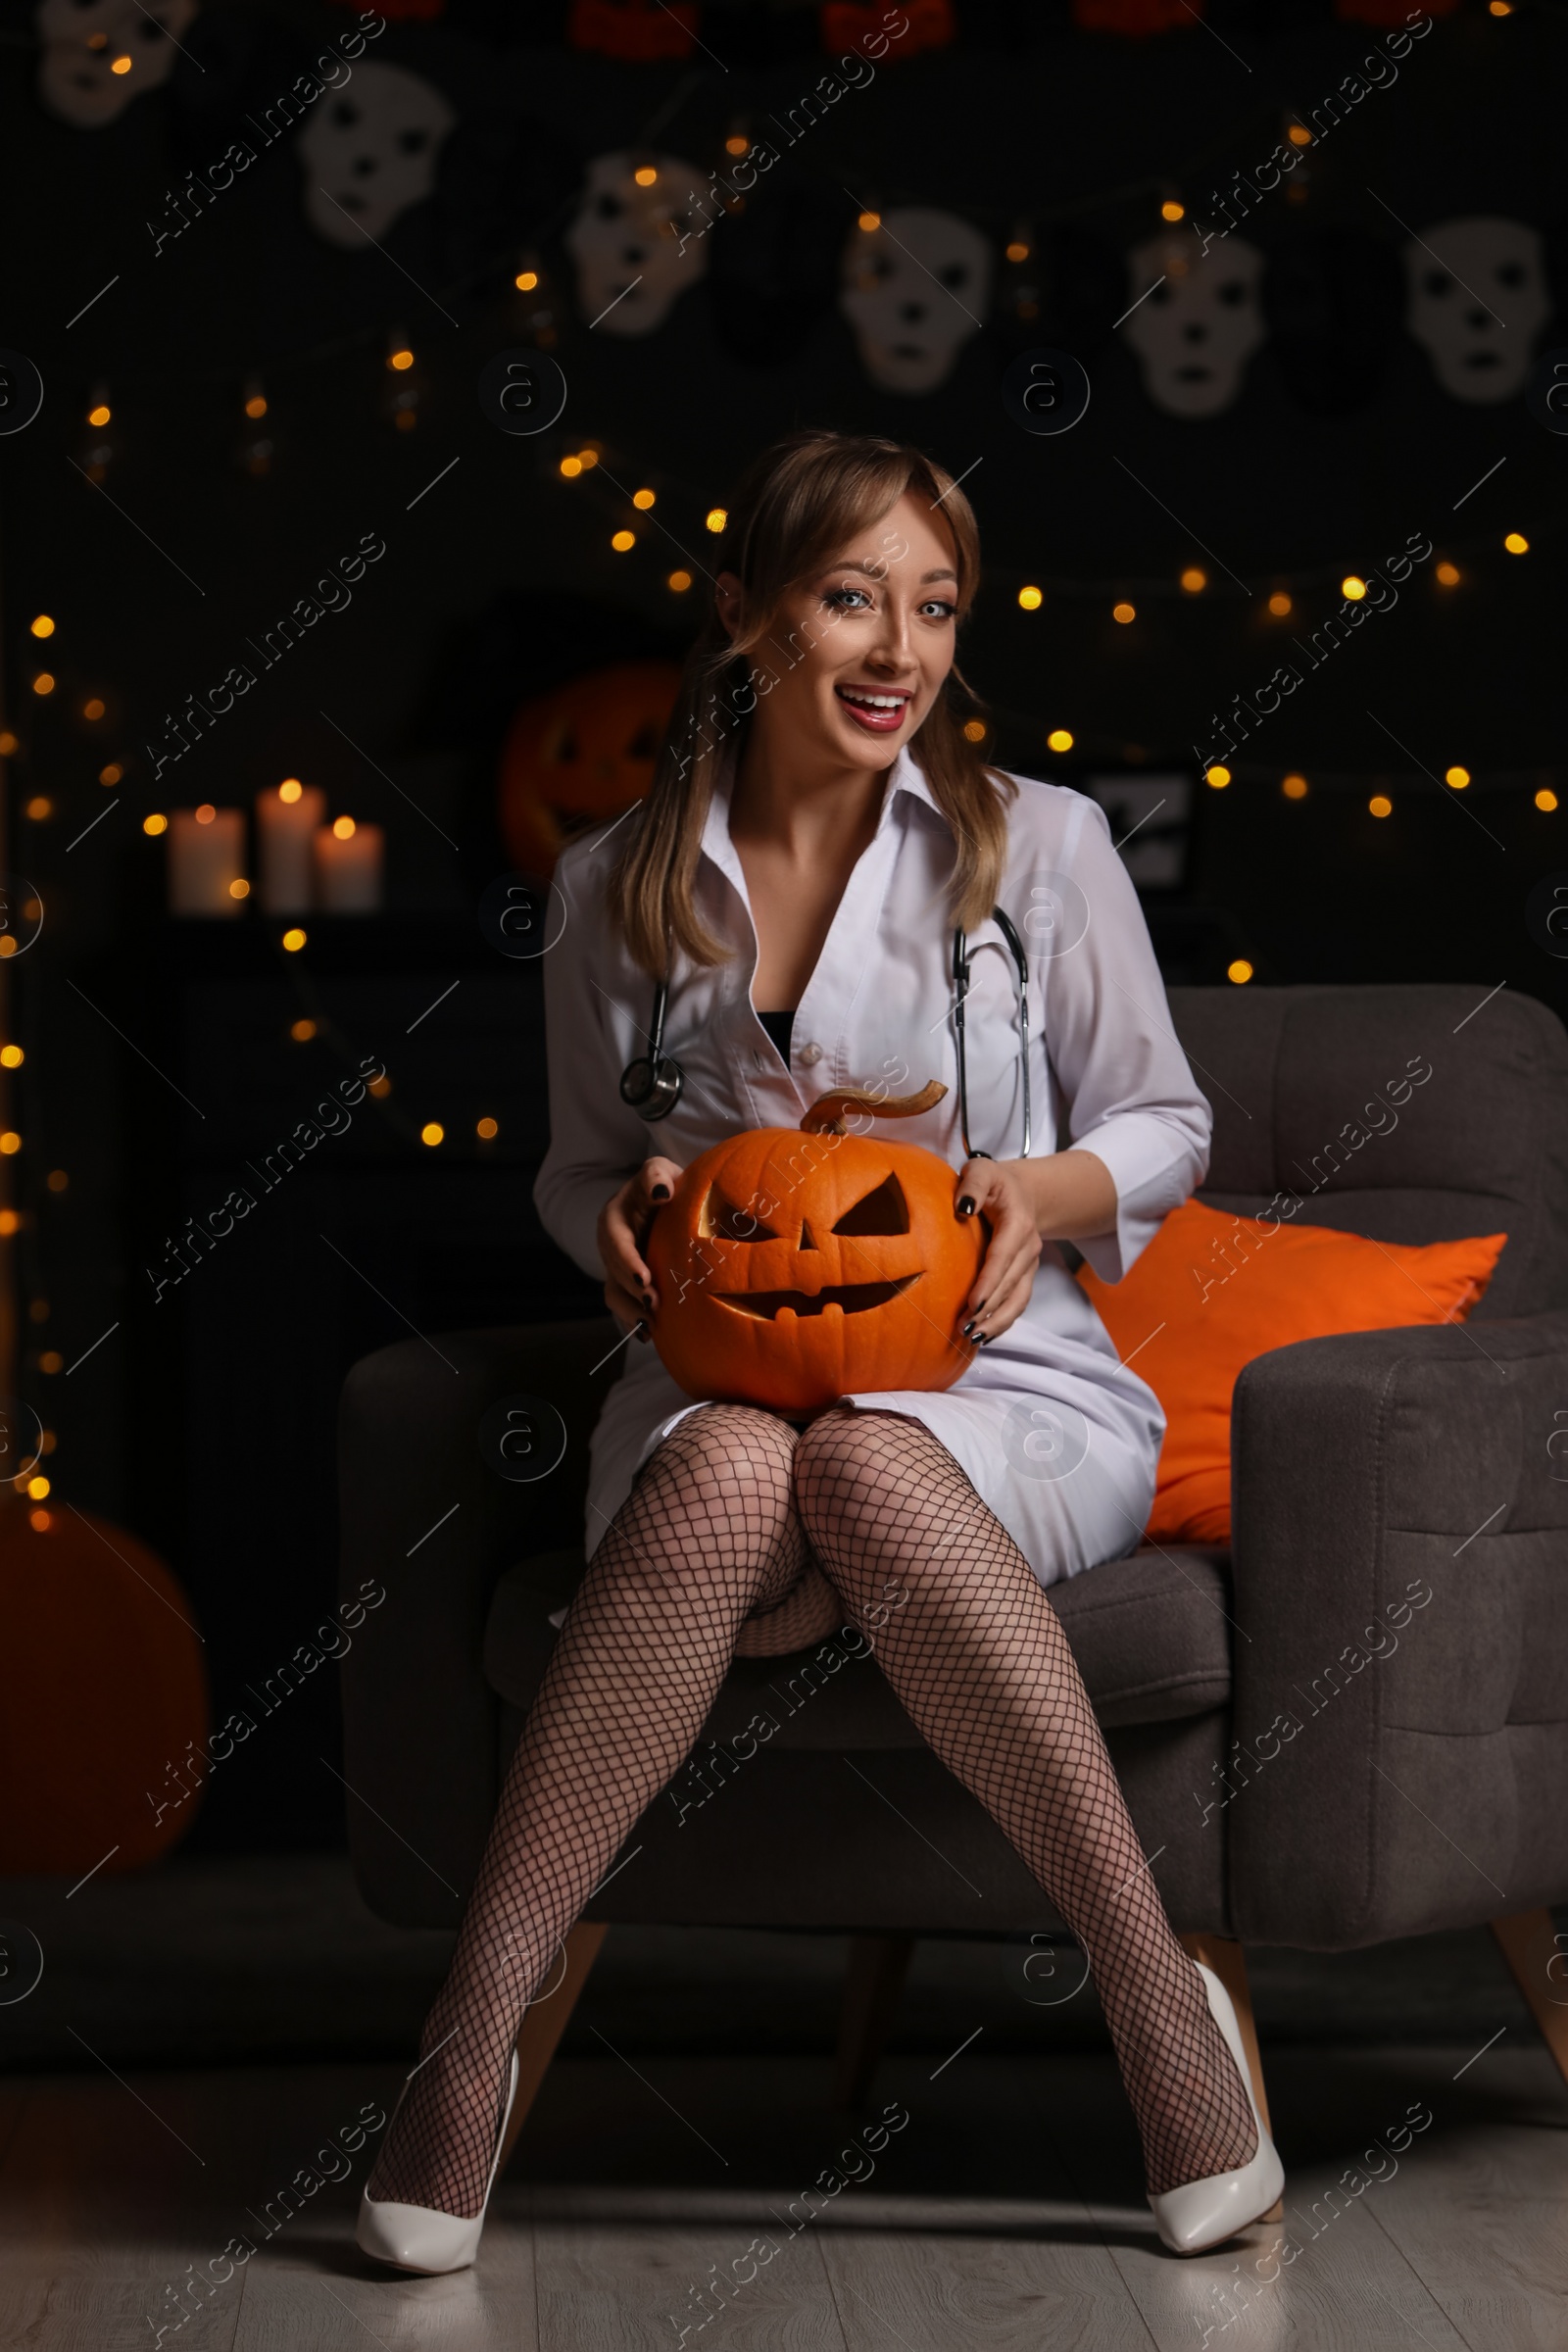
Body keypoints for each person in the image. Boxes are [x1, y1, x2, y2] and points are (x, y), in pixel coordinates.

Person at [359, 427, 1282, 2272]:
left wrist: (1038, 1192)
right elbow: (574, 1171)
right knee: (731, 1477)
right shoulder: (618, 882)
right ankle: (471, 2051)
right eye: (852, 596)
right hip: (711, 1382)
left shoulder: (1045, 845)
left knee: (864, 1461)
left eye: (933, 606)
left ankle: (1154, 2008)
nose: (899, 650)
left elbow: (1168, 1124)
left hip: (1001, 1387)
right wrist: (611, 1234)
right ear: (748, 617)